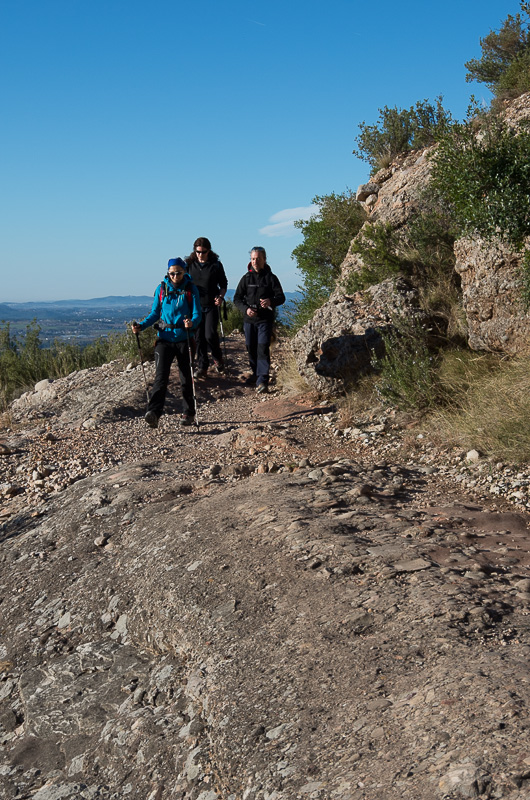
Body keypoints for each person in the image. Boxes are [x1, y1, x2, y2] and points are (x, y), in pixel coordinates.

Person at [131, 258, 202, 428]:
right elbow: (155, 313)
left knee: (186, 377)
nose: (175, 276)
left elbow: (197, 313)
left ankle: (188, 412)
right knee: (160, 377)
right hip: (164, 338)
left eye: (178, 272)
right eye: (172, 273)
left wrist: (192, 322)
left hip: (184, 338)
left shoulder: (191, 289)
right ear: (168, 273)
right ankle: (154, 413)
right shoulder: (161, 289)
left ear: (184, 271)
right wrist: (142, 326)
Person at [233, 246, 285, 393]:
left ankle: (262, 379)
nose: (255, 261)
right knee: (251, 347)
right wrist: (246, 309)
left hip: (265, 320)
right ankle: (256, 374)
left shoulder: (271, 278)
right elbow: (237, 298)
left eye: (258, 259)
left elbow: (281, 297)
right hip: (249, 320)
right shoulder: (246, 278)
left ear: (264, 260)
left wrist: (270, 301)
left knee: (262, 347)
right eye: (253, 259)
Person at [185, 237, 228, 379]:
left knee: (210, 334)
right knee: (199, 338)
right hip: (195, 307)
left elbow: (223, 284)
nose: (200, 254)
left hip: (211, 305)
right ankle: (202, 366)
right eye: (198, 251)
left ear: (209, 251)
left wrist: (221, 297)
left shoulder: (215, 265)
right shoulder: (189, 265)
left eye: (203, 252)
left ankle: (217, 358)